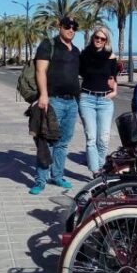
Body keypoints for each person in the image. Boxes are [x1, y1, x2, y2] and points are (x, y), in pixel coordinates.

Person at [30, 16, 81, 195]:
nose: (71, 29)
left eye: (74, 27)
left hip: (72, 102)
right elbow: (40, 70)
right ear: (60, 27)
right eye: (67, 26)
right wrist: (43, 95)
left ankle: (57, 175)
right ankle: (40, 180)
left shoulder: (76, 50)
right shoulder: (48, 45)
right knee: (47, 141)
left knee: (63, 143)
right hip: (54, 101)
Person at [78, 25, 118, 175]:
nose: (99, 40)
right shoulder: (84, 55)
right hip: (87, 99)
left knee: (104, 139)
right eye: (97, 37)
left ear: (106, 40)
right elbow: (78, 72)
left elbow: (113, 78)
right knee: (91, 138)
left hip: (105, 101)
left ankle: (101, 167)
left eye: (103, 38)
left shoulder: (111, 57)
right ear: (92, 38)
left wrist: (114, 92)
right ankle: (96, 171)